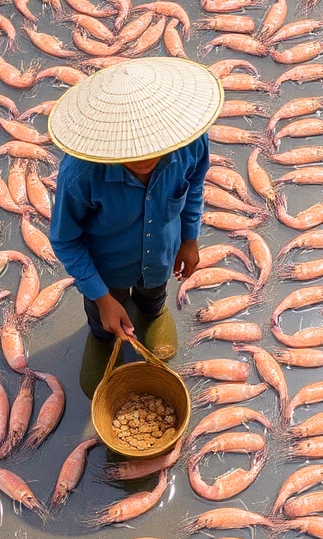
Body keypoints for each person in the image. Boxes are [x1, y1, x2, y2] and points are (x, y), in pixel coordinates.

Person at [46, 57, 224, 397]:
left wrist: (189, 238)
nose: (144, 154)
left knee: (154, 294)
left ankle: (152, 314)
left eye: (153, 140)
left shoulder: (192, 144)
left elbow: (196, 185)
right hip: (106, 271)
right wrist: (101, 298)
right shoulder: (80, 175)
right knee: (104, 318)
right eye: (131, 145)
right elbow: (65, 241)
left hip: (161, 256)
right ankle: (100, 336)